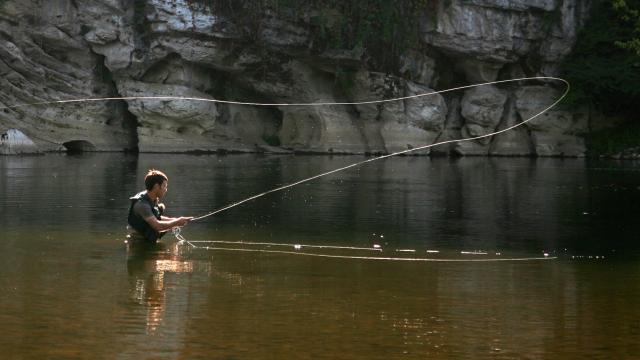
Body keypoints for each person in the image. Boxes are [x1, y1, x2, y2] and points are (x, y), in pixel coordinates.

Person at [127, 169, 193, 243]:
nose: (166, 189)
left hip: (146, 242)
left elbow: (156, 217)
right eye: (164, 186)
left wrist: (177, 220)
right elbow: (157, 226)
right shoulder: (142, 205)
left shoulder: (151, 197)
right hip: (138, 245)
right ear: (156, 186)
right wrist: (177, 222)